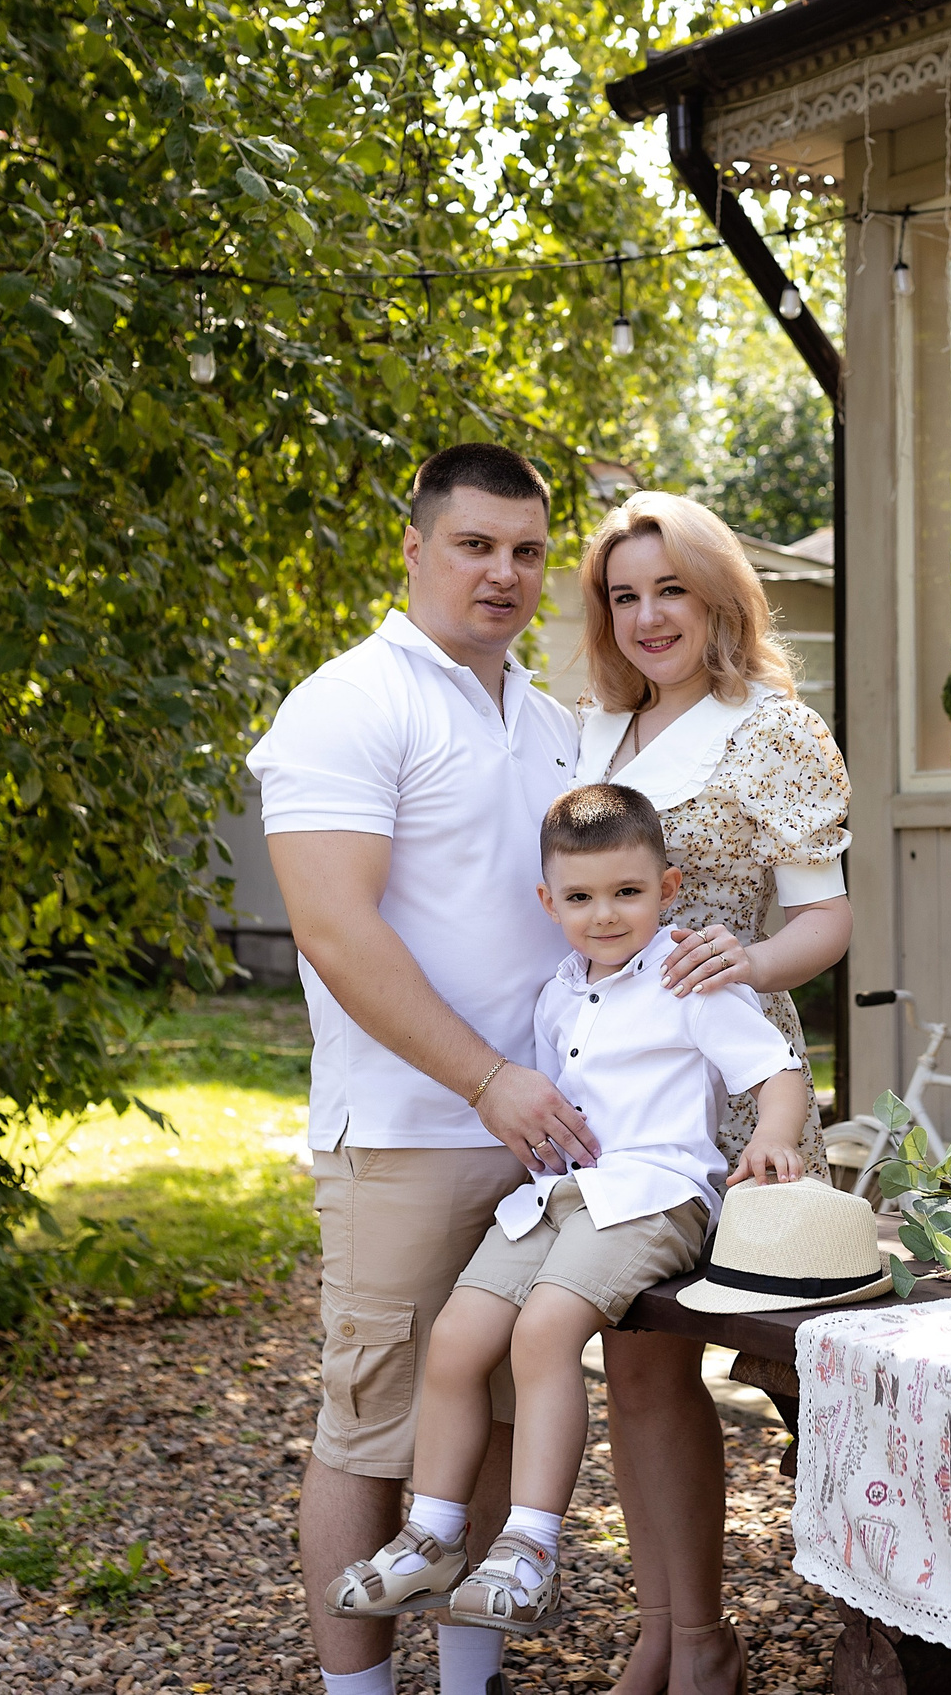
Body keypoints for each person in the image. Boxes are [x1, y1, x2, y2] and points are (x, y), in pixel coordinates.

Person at [249, 443, 597, 1695]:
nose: (502, 574)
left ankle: (465, 1687)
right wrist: (486, 1079)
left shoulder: (551, 722)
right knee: (369, 1430)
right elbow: (338, 931)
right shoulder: (347, 701)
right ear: (413, 547)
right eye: (475, 545)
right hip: (406, 1128)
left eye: (526, 552)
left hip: (538, 1143)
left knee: (493, 1429)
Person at [325, 782, 810, 1637]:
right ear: (549, 902)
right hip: (560, 1196)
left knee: (544, 1331)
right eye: (581, 898)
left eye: (628, 892)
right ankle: (435, 1535)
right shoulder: (557, 992)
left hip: (654, 1195)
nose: (605, 915)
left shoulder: (685, 976)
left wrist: (772, 1138)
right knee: (458, 1333)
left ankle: (529, 1548)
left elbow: (779, 1071)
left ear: (669, 887)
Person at [570, 492, 854, 1695]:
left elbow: (827, 917)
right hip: (622, 1095)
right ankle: (678, 1636)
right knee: (635, 1360)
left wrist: (750, 957)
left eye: (668, 590)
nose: (646, 617)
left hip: (739, 1092)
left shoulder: (771, 730)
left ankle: (879, 1631)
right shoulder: (594, 736)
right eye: (623, 596)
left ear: (717, 595)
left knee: (786, 1364)